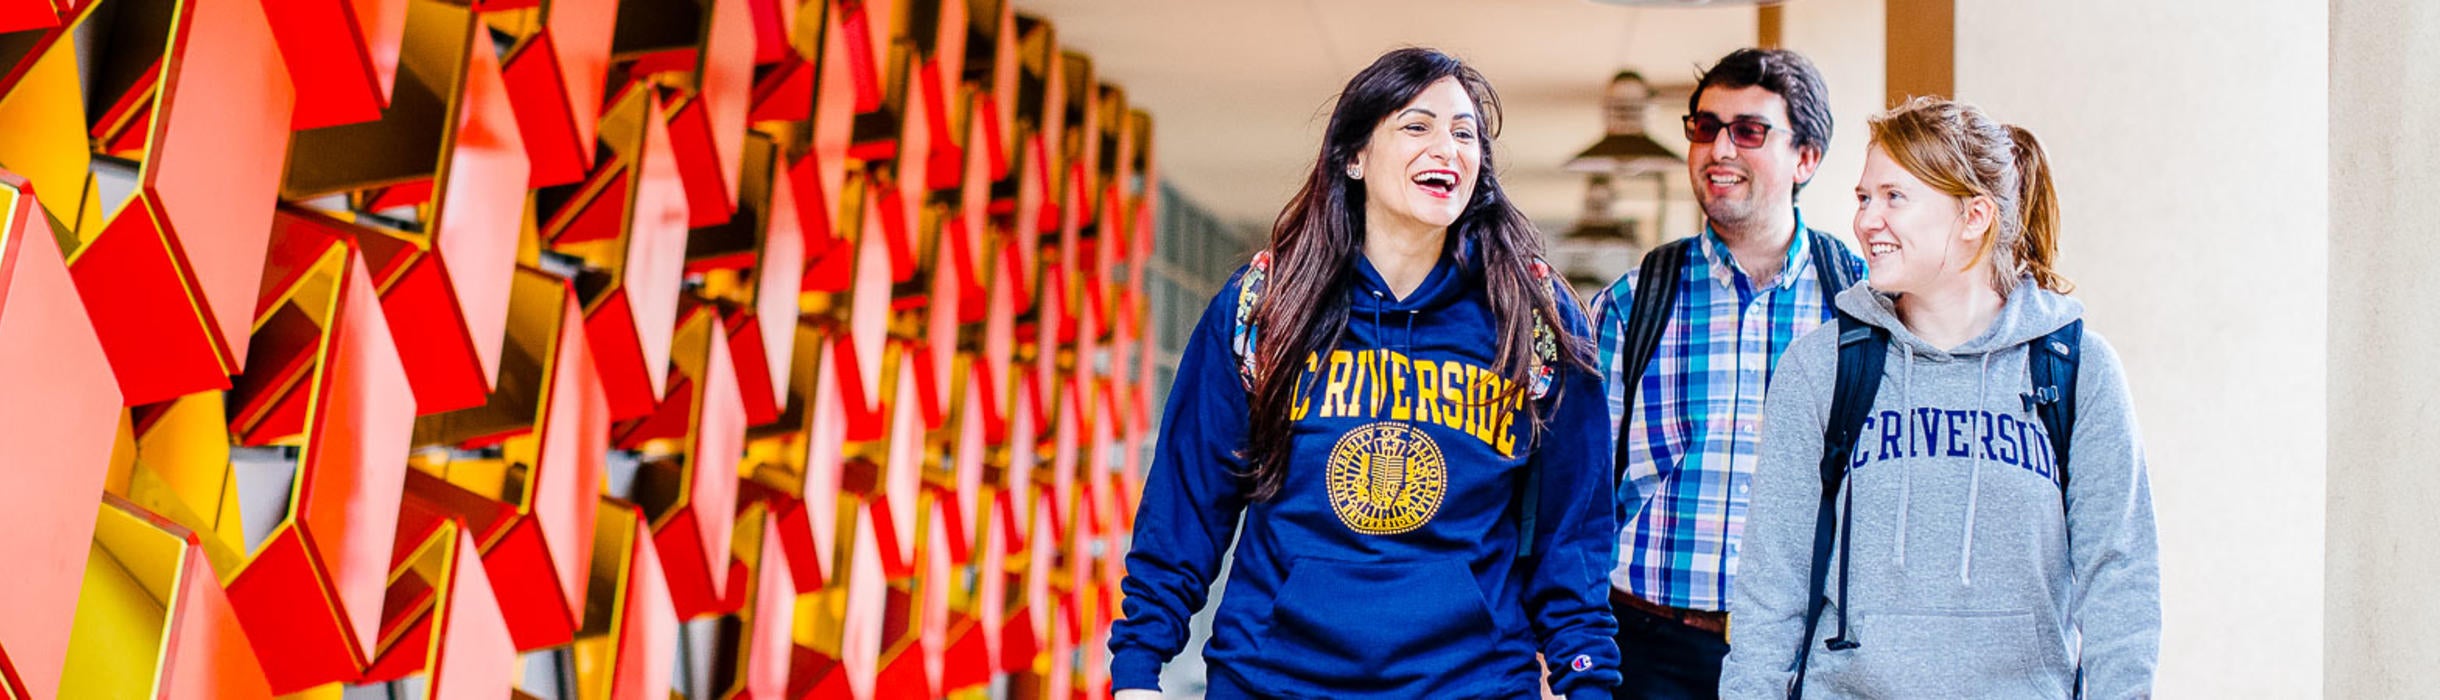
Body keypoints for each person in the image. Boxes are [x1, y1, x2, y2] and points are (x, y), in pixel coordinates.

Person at [1107, 47, 1620, 699]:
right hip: (1276, 679)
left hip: (1468, 682)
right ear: (1354, 156)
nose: (1448, 148)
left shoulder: (1534, 317)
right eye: (1417, 125)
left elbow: (1573, 530)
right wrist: (1138, 667)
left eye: (1466, 134)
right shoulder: (1266, 306)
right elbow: (1187, 502)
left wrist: (1588, 681)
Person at [1718, 97, 2160, 699]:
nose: (1867, 221)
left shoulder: (2076, 370)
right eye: (1863, 198)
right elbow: (1772, 585)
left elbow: (2121, 578)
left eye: (1895, 197)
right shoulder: (1823, 368)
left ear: (1974, 215)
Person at [1589, 48, 1864, 699]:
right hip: (1645, 649)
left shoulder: (1859, 304)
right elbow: (1583, 496)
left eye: (1749, 131)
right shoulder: (1634, 302)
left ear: (1806, 158)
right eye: (1705, 127)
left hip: (1805, 656)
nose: (1719, 149)